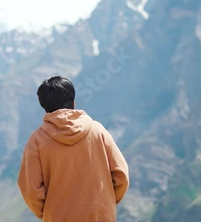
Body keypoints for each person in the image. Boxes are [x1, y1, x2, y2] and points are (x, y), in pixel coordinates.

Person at [18, 76, 129, 222]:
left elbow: (30, 190)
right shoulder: (97, 131)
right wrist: (106, 203)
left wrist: (49, 213)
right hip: (100, 216)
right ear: (74, 102)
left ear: (44, 108)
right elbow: (121, 175)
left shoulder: (37, 140)